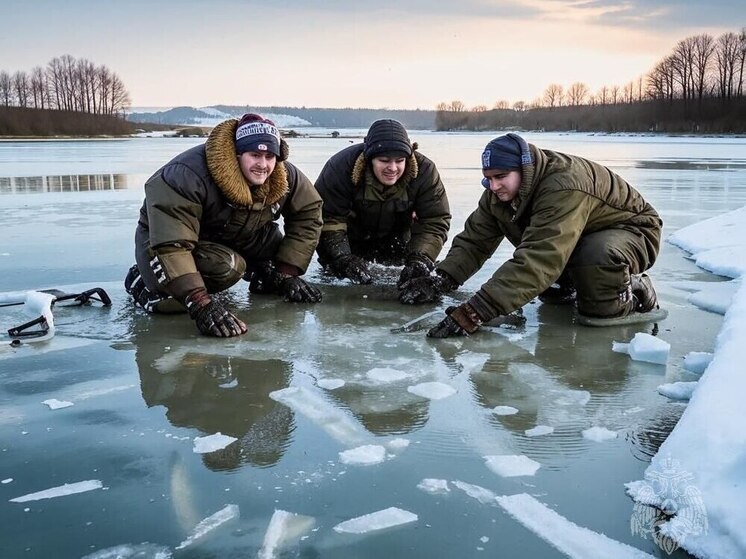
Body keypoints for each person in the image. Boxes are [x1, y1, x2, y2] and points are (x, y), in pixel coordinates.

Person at [399, 133, 663, 336]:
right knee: (555, 295)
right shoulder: (497, 193)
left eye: (501, 176)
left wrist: (476, 311)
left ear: (523, 169)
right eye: (488, 178)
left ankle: (636, 288)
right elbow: (475, 240)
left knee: (599, 309)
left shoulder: (562, 186)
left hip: (632, 232)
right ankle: (572, 281)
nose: (494, 185)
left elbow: (541, 256)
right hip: (576, 236)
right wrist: (442, 279)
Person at [124, 113, 323, 338]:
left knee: (278, 250)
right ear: (237, 154)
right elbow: (172, 244)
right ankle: (143, 281)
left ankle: (266, 274)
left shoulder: (284, 175)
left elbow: (309, 213)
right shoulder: (185, 175)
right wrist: (200, 302)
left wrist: (286, 272)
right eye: (254, 155)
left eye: (269, 156)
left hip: (237, 233)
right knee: (226, 268)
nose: (263, 164)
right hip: (167, 244)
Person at [314, 119, 451, 289]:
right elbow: (328, 217)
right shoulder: (340, 167)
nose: (393, 168)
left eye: (400, 160)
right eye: (384, 160)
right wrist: (342, 258)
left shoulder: (425, 172)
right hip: (349, 243)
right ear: (369, 158)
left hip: (399, 243)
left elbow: (435, 221)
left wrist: (420, 259)